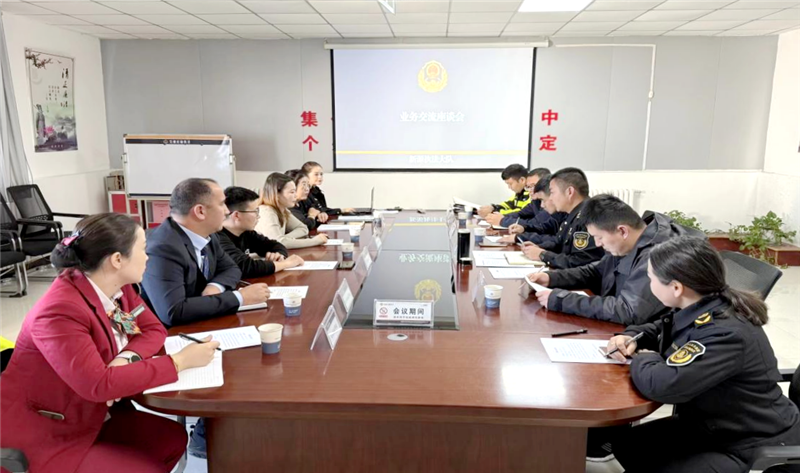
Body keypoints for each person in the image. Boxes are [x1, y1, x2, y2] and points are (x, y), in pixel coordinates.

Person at [0, 213, 219, 473]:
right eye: (143, 249)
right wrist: (179, 361)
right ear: (117, 260)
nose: (148, 257)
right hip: (48, 428)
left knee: (171, 439)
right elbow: (98, 385)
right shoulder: (58, 312)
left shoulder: (117, 288)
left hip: (93, 412)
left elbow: (152, 330)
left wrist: (125, 359)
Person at [605, 237, 800, 473]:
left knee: (645, 457)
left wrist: (645, 357)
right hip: (713, 422)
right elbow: (664, 327)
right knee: (628, 445)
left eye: (650, 278)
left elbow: (664, 385)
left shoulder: (726, 333)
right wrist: (631, 336)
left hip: (749, 443)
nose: (649, 283)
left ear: (676, 288)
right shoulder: (704, 303)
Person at [527, 195, 690, 325]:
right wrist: (551, 278)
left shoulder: (657, 255)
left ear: (622, 231)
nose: (598, 244)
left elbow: (628, 310)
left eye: (599, 237)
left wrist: (561, 300)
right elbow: (596, 270)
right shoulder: (630, 242)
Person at [142, 178, 271, 328]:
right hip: (174, 333)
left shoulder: (208, 234)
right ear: (200, 211)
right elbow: (174, 311)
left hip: (202, 320)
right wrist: (240, 297)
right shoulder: (162, 248)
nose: (227, 211)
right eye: (221, 204)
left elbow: (231, 268)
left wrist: (215, 286)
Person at [519, 167, 604, 269]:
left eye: (552, 192)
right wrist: (539, 248)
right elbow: (560, 243)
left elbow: (580, 262)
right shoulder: (571, 213)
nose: (550, 198)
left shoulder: (588, 218)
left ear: (569, 192)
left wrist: (543, 255)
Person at [217, 186, 304, 278]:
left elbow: (275, 245)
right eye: (255, 211)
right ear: (237, 215)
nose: (258, 216)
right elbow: (245, 267)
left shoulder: (246, 233)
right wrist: (286, 264)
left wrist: (278, 255)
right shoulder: (218, 238)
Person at [256, 172, 329, 249]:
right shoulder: (267, 212)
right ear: (276, 195)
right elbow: (277, 243)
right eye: (292, 192)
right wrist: (315, 241)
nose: (295, 195)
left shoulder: (283, 210)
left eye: (295, 191)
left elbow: (303, 228)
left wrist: (284, 239)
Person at [500, 175, 566, 249]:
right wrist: (524, 228)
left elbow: (557, 240)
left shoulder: (569, 215)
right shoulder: (535, 202)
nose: (531, 190)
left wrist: (520, 237)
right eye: (528, 187)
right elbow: (543, 227)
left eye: (533, 186)